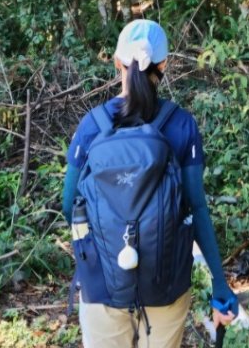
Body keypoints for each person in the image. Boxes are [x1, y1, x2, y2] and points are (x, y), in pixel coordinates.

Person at [63, 19, 238, 347]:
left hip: (102, 287)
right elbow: (197, 208)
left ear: (118, 64)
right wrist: (219, 284)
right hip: (166, 287)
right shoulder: (182, 126)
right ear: (164, 66)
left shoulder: (92, 126)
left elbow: (68, 203)